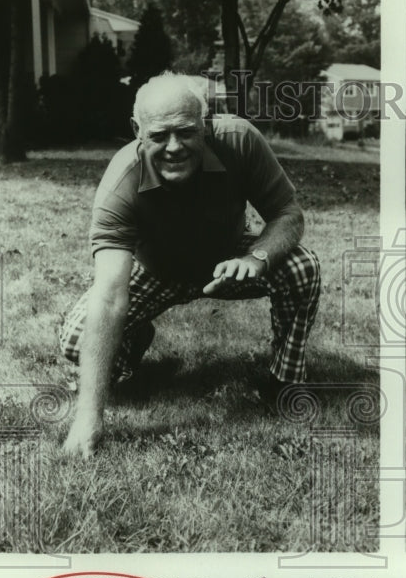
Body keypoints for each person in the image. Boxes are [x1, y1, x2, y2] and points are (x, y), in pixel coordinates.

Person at [59, 72, 320, 457]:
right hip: (155, 271)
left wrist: (256, 258)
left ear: (206, 123)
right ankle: (132, 350)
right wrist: (88, 417)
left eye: (186, 131)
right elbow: (110, 295)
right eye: (159, 135)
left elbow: (287, 213)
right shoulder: (121, 184)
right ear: (137, 130)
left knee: (303, 267)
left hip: (228, 261)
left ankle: (284, 381)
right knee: (75, 341)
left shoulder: (240, 139)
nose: (174, 147)